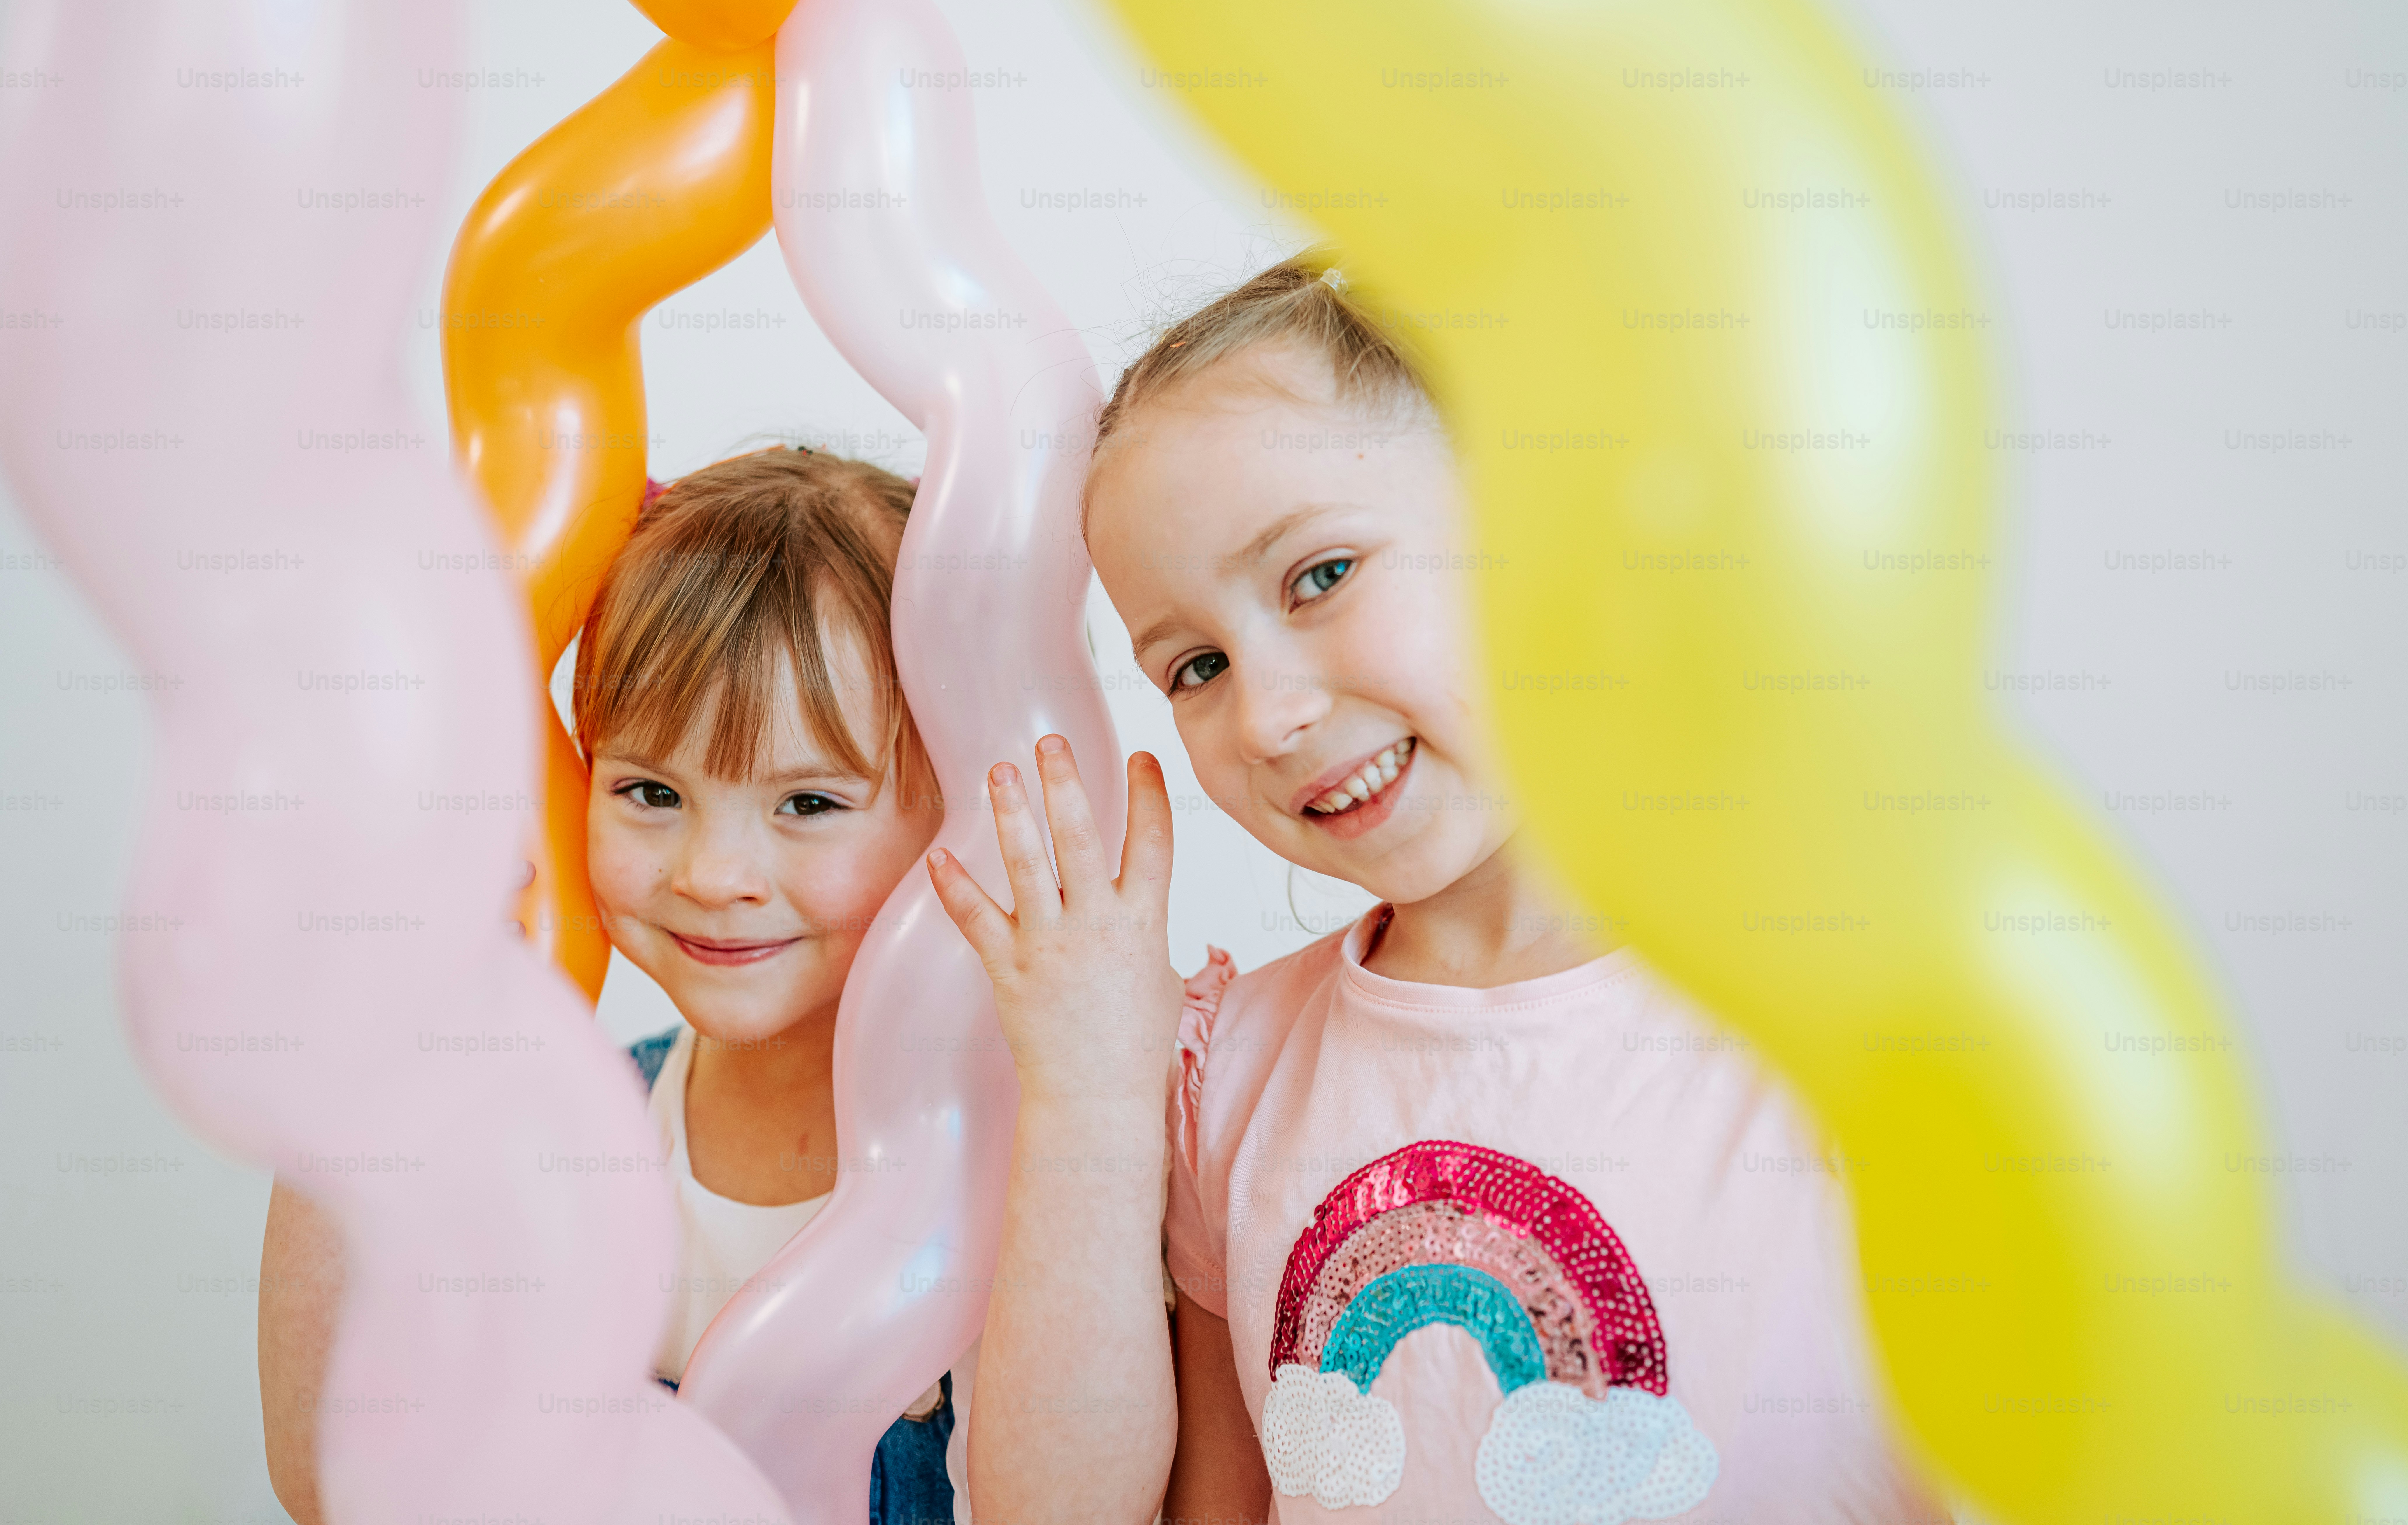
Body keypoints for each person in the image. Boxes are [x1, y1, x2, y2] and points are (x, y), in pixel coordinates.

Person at [930, 260, 1950, 1523]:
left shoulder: (1849, 1021)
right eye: (1194, 663)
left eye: (1320, 575)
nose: (1270, 711)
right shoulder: (1232, 1070)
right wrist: (1088, 1087)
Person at [260, 444, 968, 1525]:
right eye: (649, 790)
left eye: (810, 804)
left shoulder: (1027, 1162)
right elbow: (334, 1481)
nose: (712, 876)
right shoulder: (570, 1138)